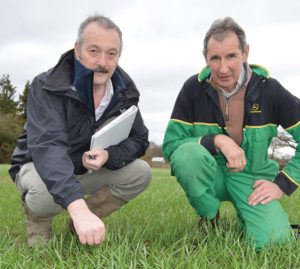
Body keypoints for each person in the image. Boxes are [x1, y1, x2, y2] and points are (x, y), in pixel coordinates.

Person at [9, 14, 151, 247]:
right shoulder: (47, 86)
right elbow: (48, 147)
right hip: (38, 166)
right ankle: (40, 218)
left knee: (141, 173)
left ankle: (79, 224)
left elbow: (139, 138)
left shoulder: (124, 92)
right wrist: (77, 206)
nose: (103, 62)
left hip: (85, 168)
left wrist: (109, 155)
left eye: (111, 53)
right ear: (77, 50)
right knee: (46, 195)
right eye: (94, 51)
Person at [162, 17, 300, 250]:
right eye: (215, 58)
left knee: (274, 243)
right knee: (187, 157)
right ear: (205, 57)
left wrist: (281, 184)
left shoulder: (270, 89)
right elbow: (171, 146)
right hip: (211, 173)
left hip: (252, 178)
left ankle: (254, 218)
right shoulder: (192, 89)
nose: (223, 68)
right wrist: (217, 140)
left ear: (245, 53)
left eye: (231, 56)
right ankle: (209, 215)